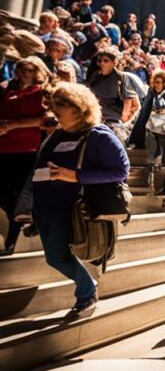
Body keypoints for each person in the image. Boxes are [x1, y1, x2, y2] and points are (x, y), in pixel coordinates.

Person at [31, 83, 129, 320]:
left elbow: (121, 170)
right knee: (55, 256)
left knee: (56, 257)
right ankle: (87, 290)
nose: (56, 114)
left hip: (71, 209)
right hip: (44, 207)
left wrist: (74, 175)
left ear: (79, 109)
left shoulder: (100, 136)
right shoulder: (58, 135)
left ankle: (87, 292)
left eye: (61, 109)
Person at [0, 58, 50, 255]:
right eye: (20, 70)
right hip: (3, 149)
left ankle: (11, 242)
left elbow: (46, 120)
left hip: (26, 150)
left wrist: (12, 125)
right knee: (6, 197)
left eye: (28, 71)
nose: (23, 74)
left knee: (17, 195)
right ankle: (31, 219)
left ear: (36, 72)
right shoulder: (7, 91)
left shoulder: (40, 93)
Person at [128, 70, 165, 172]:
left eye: (160, 82)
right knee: (152, 146)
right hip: (153, 124)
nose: (157, 85)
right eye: (155, 82)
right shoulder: (152, 94)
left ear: (164, 83)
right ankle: (153, 166)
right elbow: (145, 110)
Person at [85, 47, 139, 135]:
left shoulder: (122, 79)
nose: (102, 63)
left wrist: (124, 121)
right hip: (95, 121)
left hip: (114, 123)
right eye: (100, 61)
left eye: (106, 61)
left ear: (114, 63)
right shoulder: (94, 78)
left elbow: (135, 105)